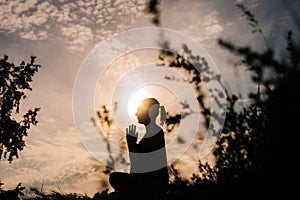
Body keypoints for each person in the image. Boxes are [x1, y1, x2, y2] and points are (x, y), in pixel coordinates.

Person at [108, 98, 169, 200]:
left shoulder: (156, 133)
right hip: (144, 181)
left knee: (116, 179)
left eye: (139, 110)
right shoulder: (149, 134)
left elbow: (143, 165)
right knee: (114, 177)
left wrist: (132, 144)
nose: (136, 114)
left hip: (152, 183)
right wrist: (132, 144)